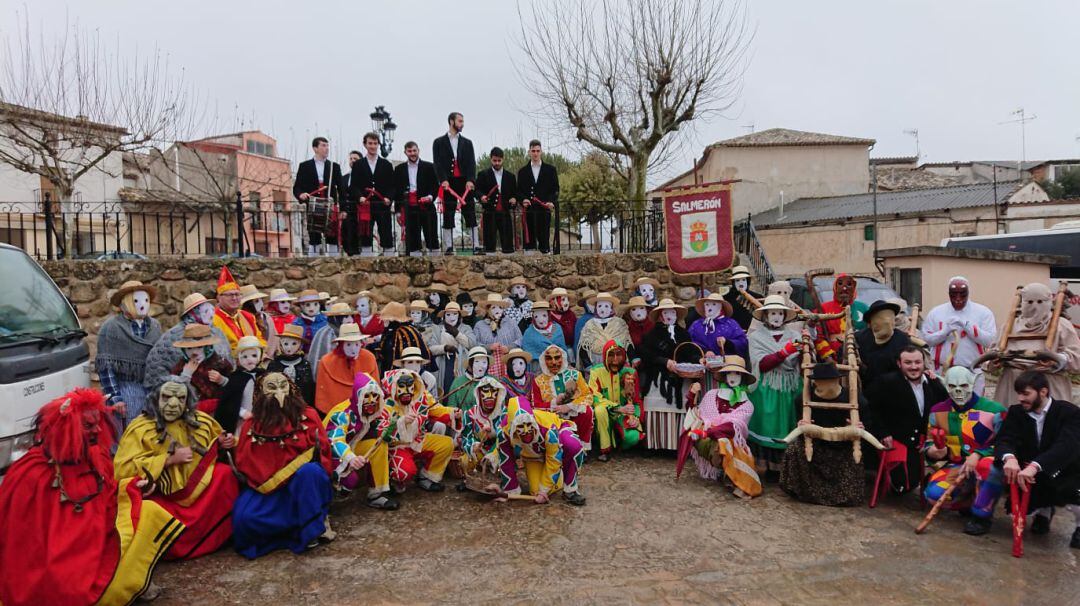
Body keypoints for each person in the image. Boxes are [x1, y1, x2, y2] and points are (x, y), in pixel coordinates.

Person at [0, 388, 179, 605]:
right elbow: (22, 541)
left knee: (150, 512)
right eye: (88, 426)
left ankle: (133, 581)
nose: (96, 430)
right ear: (66, 427)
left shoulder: (95, 454)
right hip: (59, 560)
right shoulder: (32, 473)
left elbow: (107, 493)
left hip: (99, 537)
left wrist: (133, 486)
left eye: (97, 424)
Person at [113, 380, 240, 560]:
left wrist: (226, 443)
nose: (173, 404)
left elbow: (220, 440)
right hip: (163, 495)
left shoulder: (201, 421)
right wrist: (167, 460)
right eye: (166, 397)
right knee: (144, 509)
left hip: (199, 490)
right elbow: (122, 469)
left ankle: (218, 537)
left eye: (180, 398)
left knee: (224, 475)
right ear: (156, 398)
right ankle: (166, 549)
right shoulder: (140, 428)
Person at [232, 372, 335, 558]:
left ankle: (312, 525)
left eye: (283, 386)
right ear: (261, 393)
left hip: (301, 488)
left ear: (291, 388)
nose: (279, 392)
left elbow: (324, 453)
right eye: (272, 388)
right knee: (243, 520)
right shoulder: (252, 426)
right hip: (266, 489)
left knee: (311, 472)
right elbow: (243, 461)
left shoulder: (309, 416)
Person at [995, 371, 1080, 548]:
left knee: (1074, 493)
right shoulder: (1016, 412)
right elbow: (1004, 439)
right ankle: (1044, 512)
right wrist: (1009, 458)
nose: (1020, 398)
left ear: (1043, 392)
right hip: (1031, 473)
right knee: (1016, 509)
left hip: (1066, 469)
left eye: (1026, 394)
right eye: (1019, 393)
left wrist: (1036, 466)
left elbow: (1066, 446)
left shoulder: (1070, 412)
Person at [923, 366, 1007, 535]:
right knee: (933, 494)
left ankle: (981, 515)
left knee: (987, 467)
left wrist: (979, 454)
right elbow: (929, 444)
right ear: (945, 386)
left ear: (972, 384)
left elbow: (1006, 443)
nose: (958, 391)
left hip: (988, 464)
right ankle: (969, 501)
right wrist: (934, 451)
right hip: (957, 466)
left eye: (963, 386)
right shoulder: (938, 411)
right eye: (952, 387)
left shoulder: (995, 411)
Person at [780, 362, 872, 507]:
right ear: (815, 382)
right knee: (793, 450)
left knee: (853, 461)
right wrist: (802, 426)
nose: (826, 385)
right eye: (821, 381)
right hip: (816, 445)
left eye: (830, 381)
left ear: (838, 380)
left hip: (843, 447)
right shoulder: (803, 399)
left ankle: (841, 496)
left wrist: (860, 427)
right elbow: (799, 428)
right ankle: (805, 492)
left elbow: (867, 427)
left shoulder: (855, 400)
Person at [866, 345, 947, 492]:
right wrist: (883, 433)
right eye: (908, 363)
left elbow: (947, 405)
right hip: (897, 440)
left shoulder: (933, 383)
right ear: (899, 364)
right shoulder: (886, 382)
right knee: (903, 485)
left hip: (924, 441)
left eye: (917, 362)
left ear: (924, 363)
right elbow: (872, 410)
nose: (914, 367)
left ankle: (935, 480)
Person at [989, 282, 1080, 407]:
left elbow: (1077, 357)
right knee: (1014, 422)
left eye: (1040, 302)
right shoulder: (1010, 326)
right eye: (1029, 302)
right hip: (1013, 386)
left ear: (1049, 301)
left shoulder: (1061, 325)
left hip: (1049, 385)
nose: (1035, 307)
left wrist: (1057, 359)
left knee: (1050, 423)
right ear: (1023, 303)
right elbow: (991, 355)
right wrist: (994, 361)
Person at [684, 356, 763, 498]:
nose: (732, 377)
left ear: (743, 377)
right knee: (724, 442)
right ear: (724, 376)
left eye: (737, 373)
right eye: (729, 373)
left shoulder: (747, 405)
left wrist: (706, 433)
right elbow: (694, 415)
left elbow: (732, 427)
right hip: (706, 441)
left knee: (726, 441)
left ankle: (736, 480)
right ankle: (735, 479)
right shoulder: (711, 395)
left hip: (723, 440)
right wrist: (692, 395)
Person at [323, 372, 399, 510]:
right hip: (328, 453)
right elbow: (333, 439)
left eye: (375, 396)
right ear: (358, 395)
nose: (372, 400)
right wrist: (350, 458)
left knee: (379, 445)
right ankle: (329, 495)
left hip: (352, 446)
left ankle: (376, 494)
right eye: (367, 396)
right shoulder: (342, 413)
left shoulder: (371, 410)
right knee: (350, 480)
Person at [746, 295, 802, 480]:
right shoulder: (756, 337)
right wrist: (784, 352)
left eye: (780, 313)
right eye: (772, 313)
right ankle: (766, 466)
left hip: (790, 386)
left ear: (785, 315)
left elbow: (803, 359)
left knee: (789, 424)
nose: (777, 317)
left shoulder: (796, 336)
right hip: (766, 387)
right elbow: (761, 364)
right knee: (766, 422)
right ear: (765, 316)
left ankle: (785, 468)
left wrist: (806, 349)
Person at [97, 280, 163, 430]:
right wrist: (115, 397)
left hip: (151, 387)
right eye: (137, 300)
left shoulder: (155, 326)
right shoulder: (111, 328)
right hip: (126, 387)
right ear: (124, 303)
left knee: (151, 430)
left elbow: (159, 359)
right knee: (128, 432)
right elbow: (106, 367)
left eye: (146, 300)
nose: (143, 304)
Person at [381, 369, 456, 493]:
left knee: (446, 444)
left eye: (410, 386)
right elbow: (383, 434)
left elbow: (437, 410)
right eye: (401, 386)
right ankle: (393, 480)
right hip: (397, 447)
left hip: (418, 440)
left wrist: (454, 413)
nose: (407, 391)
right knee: (405, 471)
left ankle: (426, 477)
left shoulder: (421, 398)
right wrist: (401, 422)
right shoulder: (385, 404)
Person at [144, 292, 233, 393]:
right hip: (183, 393)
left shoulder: (217, 332)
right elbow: (158, 367)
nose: (211, 314)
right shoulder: (175, 335)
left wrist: (222, 380)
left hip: (216, 392)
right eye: (205, 311)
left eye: (211, 310)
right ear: (193, 313)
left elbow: (228, 364)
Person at [921, 277, 997, 394]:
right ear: (949, 294)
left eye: (962, 294)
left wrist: (968, 326)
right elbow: (927, 341)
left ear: (968, 293)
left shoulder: (983, 312)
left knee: (973, 409)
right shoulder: (936, 312)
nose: (958, 299)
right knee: (943, 408)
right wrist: (944, 332)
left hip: (972, 371)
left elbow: (989, 341)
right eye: (953, 295)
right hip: (943, 371)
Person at [496, 407, 586, 505]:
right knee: (535, 492)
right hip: (532, 456)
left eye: (528, 425)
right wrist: (509, 490)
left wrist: (544, 491)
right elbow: (506, 459)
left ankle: (570, 489)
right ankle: (557, 477)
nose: (526, 431)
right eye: (521, 427)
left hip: (556, 440)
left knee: (573, 446)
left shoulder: (548, 430)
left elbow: (554, 459)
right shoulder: (504, 432)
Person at [532, 343, 596, 451]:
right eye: (549, 358)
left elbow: (588, 395)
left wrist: (570, 406)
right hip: (551, 417)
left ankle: (582, 449)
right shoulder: (538, 381)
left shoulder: (575, 375)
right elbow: (535, 406)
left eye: (557, 358)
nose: (554, 362)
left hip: (573, 414)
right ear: (544, 360)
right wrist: (554, 403)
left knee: (587, 411)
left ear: (563, 357)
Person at [588, 340, 644, 457]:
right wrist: (618, 408)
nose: (615, 360)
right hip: (605, 413)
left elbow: (637, 401)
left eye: (618, 355)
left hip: (624, 416)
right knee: (599, 410)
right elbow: (594, 397)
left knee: (633, 438)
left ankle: (620, 444)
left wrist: (636, 418)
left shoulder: (630, 372)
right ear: (605, 356)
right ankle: (605, 449)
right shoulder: (596, 372)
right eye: (611, 355)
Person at [433, 111, 478, 254]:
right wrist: (443, 180)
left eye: (462, 121)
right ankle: (449, 246)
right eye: (460, 121)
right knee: (448, 214)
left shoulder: (467, 142)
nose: (462, 124)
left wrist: (471, 180)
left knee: (470, 212)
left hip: (464, 182)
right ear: (451, 122)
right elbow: (437, 163)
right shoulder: (439, 142)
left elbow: (471, 163)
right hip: (449, 182)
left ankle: (476, 245)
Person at [349, 132, 397, 256]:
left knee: (386, 232)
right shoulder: (358, 165)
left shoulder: (386, 164)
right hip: (365, 205)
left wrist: (389, 198)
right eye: (370, 143)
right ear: (365, 145)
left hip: (382, 204)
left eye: (375, 143)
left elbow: (392, 186)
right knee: (365, 234)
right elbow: (353, 186)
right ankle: (366, 260)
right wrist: (360, 196)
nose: (373, 146)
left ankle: (389, 259)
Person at [314, 323, 379, 415]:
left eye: (356, 344)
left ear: (361, 343)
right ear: (341, 344)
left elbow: (375, 386)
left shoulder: (369, 358)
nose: (353, 349)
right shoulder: (327, 361)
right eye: (348, 344)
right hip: (336, 414)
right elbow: (324, 394)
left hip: (365, 411)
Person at [293, 136, 343, 253]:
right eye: (323, 146)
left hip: (330, 205)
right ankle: (313, 263)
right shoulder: (304, 166)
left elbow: (341, 189)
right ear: (315, 148)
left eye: (327, 146)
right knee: (314, 236)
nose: (327, 148)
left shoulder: (334, 166)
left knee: (332, 235)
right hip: (313, 205)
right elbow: (297, 187)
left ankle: (333, 262)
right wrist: (301, 194)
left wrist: (343, 208)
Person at [639, 298, 693, 402]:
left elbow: (690, 351)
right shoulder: (651, 335)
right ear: (660, 315)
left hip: (681, 379)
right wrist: (664, 361)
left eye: (672, 312)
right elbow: (647, 355)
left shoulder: (683, 333)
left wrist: (697, 359)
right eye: (666, 312)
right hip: (658, 380)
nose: (669, 315)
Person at [395, 140, 440, 256]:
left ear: (418, 151)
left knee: (432, 236)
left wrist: (430, 197)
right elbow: (397, 191)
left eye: (414, 150)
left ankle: (436, 265)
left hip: (427, 207)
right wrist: (398, 211)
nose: (412, 153)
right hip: (409, 207)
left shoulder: (429, 167)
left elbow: (435, 185)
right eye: (409, 151)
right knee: (412, 239)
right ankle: (415, 265)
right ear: (405, 152)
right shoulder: (399, 169)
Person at [170, 324, 233, 405]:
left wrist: (222, 380)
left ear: (208, 347)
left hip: (217, 409)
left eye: (199, 347)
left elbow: (234, 385)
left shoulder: (219, 362)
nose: (194, 352)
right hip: (191, 409)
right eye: (189, 348)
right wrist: (186, 374)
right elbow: (173, 390)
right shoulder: (181, 366)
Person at [516, 139, 559, 254]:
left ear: (541, 152)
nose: (535, 153)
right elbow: (519, 191)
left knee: (544, 239)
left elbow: (555, 189)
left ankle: (546, 263)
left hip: (544, 210)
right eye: (533, 151)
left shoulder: (550, 170)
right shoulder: (522, 172)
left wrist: (551, 201)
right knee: (528, 240)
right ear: (529, 152)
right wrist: (523, 199)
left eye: (537, 151)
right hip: (529, 210)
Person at [214, 336, 265, 434]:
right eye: (244, 357)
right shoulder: (235, 378)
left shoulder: (264, 375)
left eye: (254, 355)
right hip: (242, 422)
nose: (249, 360)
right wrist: (242, 412)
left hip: (263, 420)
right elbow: (227, 403)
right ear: (239, 359)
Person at [855, 300, 912, 386]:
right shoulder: (859, 338)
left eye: (888, 317)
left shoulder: (902, 338)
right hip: (867, 387)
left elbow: (910, 360)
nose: (886, 321)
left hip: (895, 386)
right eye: (881, 318)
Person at [425, 301, 475, 397]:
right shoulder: (437, 329)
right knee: (444, 388)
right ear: (444, 316)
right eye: (448, 314)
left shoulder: (466, 328)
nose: (451, 317)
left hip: (461, 362)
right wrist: (445, 348)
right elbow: (430, 348)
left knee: (460, 390)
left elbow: (472, 344)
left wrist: (456, 333)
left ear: (459, 316)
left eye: (454, 314)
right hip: (443, 363)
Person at [212, 266, 264, 356]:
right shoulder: (212, 319)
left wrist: (261, 353)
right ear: (219, 297)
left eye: (237, 294)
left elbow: (259, 338)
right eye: (229, 295)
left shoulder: (249, 316)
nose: (234, 298)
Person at [816, 273, 869, 359]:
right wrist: (829, 356)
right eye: (840, 284)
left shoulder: (864, 308)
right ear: (835, 288)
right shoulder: (823, 309)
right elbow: (817, 336)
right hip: (833, 359)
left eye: (849, 284)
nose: (844, 288)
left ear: (854, 288)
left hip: (861, 356)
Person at [476, 146, 518, 254]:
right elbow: (477, 190)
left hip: (505, 212)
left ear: (503, 159)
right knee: (489, 243)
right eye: (495, 160)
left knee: (508, 242)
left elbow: (515, 193)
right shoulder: (483, 175)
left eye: (499, 160)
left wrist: (514, 199)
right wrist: (481, 197)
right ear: (491, 159)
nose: (497, 163)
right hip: (489, 212)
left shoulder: (510, 176)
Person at [577, 292, 632, 370]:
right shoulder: (589, 325)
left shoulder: (619, 324)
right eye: (600, 306)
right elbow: (583, 346)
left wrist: (633, 358)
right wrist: (587, 365)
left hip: (617, 364)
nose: (603, 309)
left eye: (606, 306)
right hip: (596, 366)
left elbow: (627, 343)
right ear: (596, 308)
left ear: (611, 308)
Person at [473, 293, 522, 378]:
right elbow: (474, 344)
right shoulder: (479, 325)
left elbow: (520, 340)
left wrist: (509, 347)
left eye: (500, 307)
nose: (497, 310)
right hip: (487, 366)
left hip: (509, 364)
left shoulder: (511, 323)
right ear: (488, 309)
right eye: (493, 307)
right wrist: (489, 347)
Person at [689, 291, 748, 360]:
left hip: (728, 364)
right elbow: (689, 344)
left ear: (721, 307)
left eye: (714, 304)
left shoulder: (731, 324)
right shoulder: (696, 325)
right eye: (707, 305)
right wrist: (704, 352)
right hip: (702, 364)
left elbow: (742, 342)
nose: (710, 308)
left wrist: (727, 342)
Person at [378, 301, 431, 376]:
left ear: (393, 320)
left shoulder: (406, 332)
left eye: (386, 318)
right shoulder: (390, 331)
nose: (383, 320)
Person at [268, 324, 316, 405]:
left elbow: (309, 390)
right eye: (286, 344)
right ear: (281, 344)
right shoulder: (274, 364)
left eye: (294, 344)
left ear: (300, 345)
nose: (289, 348)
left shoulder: (305, 364)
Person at [308, 302, 358, 379]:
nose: (350, 319)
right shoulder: (326, 333)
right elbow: (320, 358)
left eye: (351, 316)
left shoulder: (352, 331)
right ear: (335, 318)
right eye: (346, 316)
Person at [521, 299, 566, 370]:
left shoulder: (557, 328)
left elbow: (563, 349)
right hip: (538, 368)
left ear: (549, 315)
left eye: (544, 315)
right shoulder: (528, 333)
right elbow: (528, 355)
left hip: (558, 365)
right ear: (533, 317)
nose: (541, 320)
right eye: (536, 316)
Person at [446, 346, 493, 411]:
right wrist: (455, 413)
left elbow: (500, 408)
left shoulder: (493, 382)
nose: (481, 366)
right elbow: (451, 408)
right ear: (469, 365)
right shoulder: (458, 383)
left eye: (484, 362)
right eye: (476, 362)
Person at [240, 284, 277, 359]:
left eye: (261, 300)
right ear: (248, 305)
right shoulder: (241, 320)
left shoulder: (266, 318)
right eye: (256, 301)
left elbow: (274, 339)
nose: (261, 303)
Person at [725, 265, 761, 331]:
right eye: (737, 280)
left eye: (743, 280)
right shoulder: (726, 298)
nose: (740, 283)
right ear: (734, 283)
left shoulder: (757, 297)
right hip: (733, 333)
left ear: (747, 281)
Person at [548, 287, 578, 360]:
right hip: (554, 353)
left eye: (567, 299)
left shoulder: (571, 315)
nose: (566, 303)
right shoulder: (548, 317)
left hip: (571, 351)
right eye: (562, 300)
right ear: (553, 301)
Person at [623, 296, 654, 362]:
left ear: (646, 310)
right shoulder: (628, 328)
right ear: (630, 313)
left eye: (641, 308)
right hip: (638, 363)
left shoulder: (653, 324)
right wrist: (633, 358)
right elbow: (628, 345)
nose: (638, 312)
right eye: (634, 309)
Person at [573, 289, 598, 362]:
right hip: (588, 356)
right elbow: (577, 343)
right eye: (590, 302)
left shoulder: (604, 318)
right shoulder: (582, 321)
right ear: (585, 305)